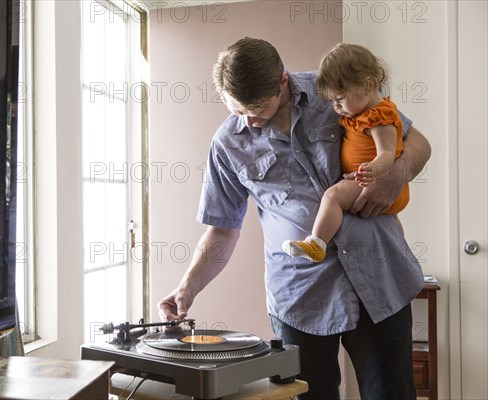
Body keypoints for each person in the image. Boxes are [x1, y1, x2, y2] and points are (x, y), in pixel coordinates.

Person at [158, 37, 431, 400]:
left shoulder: (333, 88)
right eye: (237, 111)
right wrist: (186, 289)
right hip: (300, 297)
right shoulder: (227, 144)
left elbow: (417, 142)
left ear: (282, 80)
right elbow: (222, 229)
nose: (249, 121)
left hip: (380, 278)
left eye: (257, 108)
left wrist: (397, 174)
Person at [282, 43, 409, 263]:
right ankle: (399, 255)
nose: (336, 107)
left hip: (373, 179)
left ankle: (316, 244)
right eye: (332, 101)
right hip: (366, 178)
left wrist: (373, 170)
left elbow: (388, 153)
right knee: (391, 222)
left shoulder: (379, 117)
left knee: (333, 196)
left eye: (340, 99)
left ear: (368, 85)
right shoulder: (360, 113)